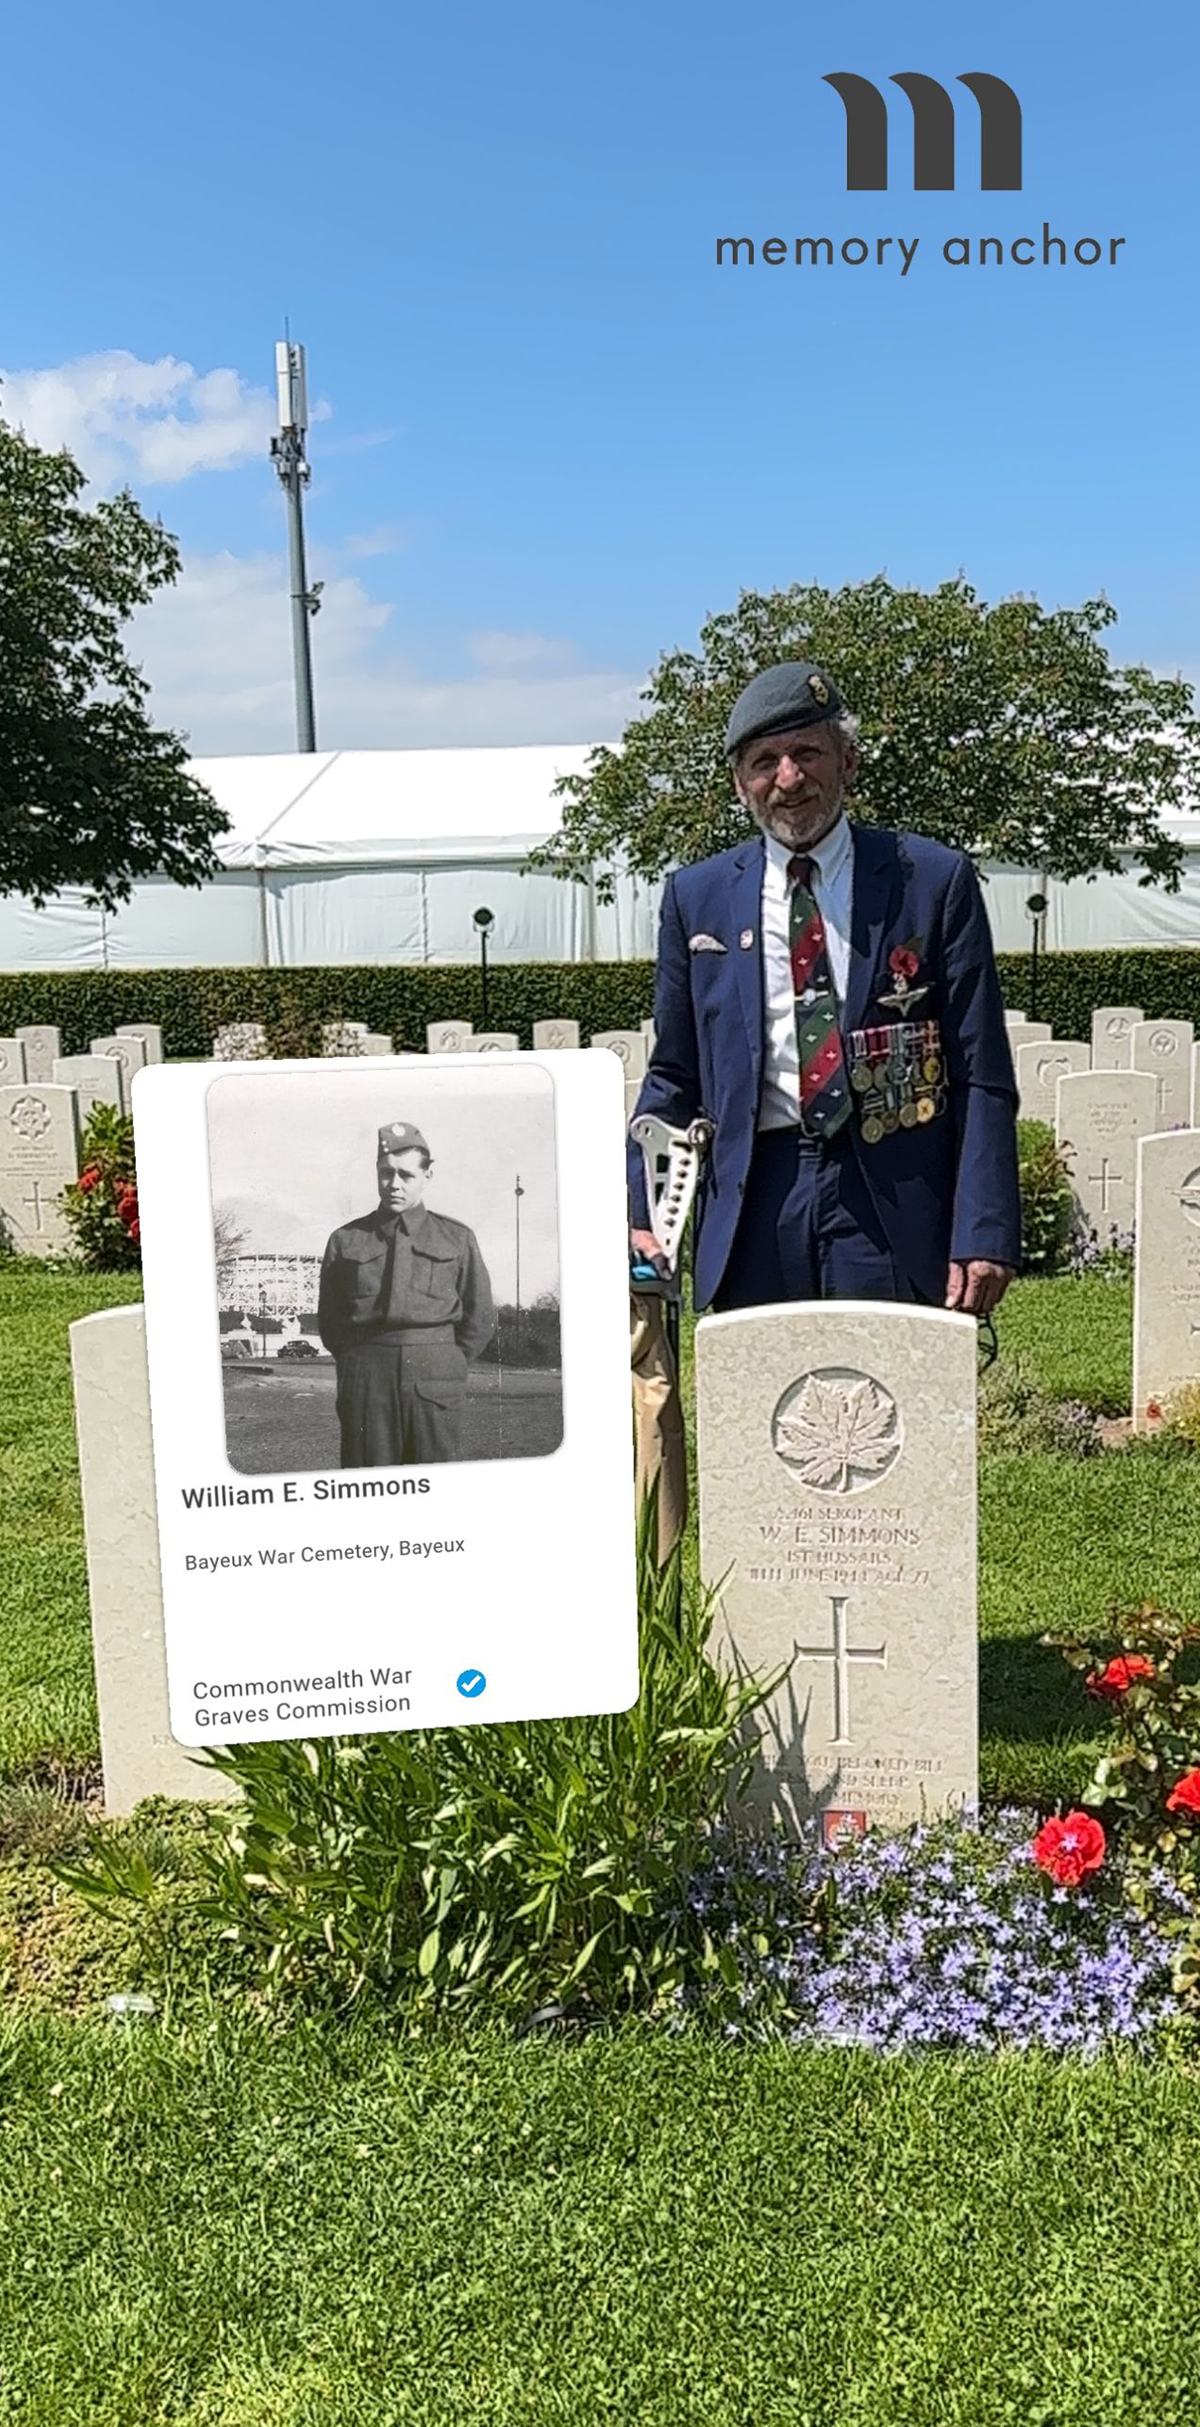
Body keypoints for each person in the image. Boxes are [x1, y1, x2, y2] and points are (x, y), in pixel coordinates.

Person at [627, 661, 1021, 1316]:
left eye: (807, 752)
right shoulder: (696, 899)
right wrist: (639, 1209)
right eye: (765, 761)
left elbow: (981, 1069)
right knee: (761, 1408)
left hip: (892, 1197)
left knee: (892, 1404)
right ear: (739, 783)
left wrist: (984, 1226)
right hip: (756, 1197)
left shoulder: (931, 880)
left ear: (848, 760)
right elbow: (674, 1075)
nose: (788, 778)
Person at [318, 1121, 495, 1465]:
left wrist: (449, 1361)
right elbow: (330, 1320)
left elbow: (480, 1316)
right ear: (376, 1172)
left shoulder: (456, 1238)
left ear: (428, 1175)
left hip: (436, 1378)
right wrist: (357, 1362)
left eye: (406, 1175)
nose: (394, 1184)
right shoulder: (346, 1239)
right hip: (367, 1378)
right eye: (386, 1173)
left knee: (434, 1483)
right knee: (367, 1483)